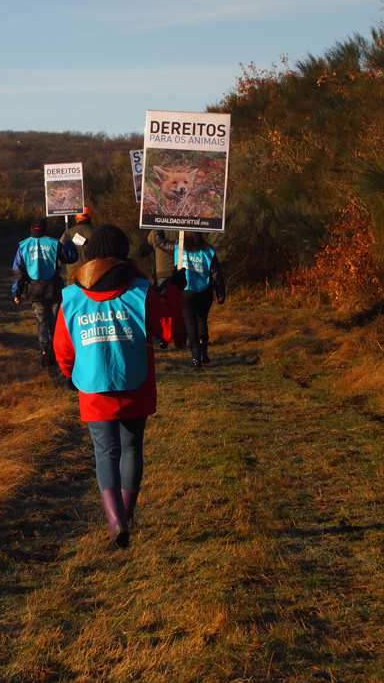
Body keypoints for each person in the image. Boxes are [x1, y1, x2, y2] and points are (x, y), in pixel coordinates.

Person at [54, 225, 185, 549]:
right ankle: (127, 516)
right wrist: (177, 292)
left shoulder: (71, 297)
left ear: (89, 255)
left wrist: (72, 376)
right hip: (134, 383)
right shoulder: (140, 290)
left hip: (92, 386)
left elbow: (63, 349)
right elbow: (169, 332)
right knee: (130, 449)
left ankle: (115, 523)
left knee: (105, 453)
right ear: (124, 254)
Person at [12, 217, 78, 372]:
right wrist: (68, 242)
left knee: (42, 322)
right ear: (45, 228)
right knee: (55, 323)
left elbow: (18, 272)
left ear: (31, 228)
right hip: (54, 288)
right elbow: (71, 257)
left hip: (35, 290)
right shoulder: (54, 243)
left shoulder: (23, 245)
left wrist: (17, 292)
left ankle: (44, 349)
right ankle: (56, 351)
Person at [173, 230, 226, 369]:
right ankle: (204, 353)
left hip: (187, 290)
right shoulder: (208, 251)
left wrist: (157, 227)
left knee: (191, 325)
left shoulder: (179, 248)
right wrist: (221, 294)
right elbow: (216, 273)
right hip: (205, 291)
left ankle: (196, 358)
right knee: (202, 320)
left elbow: (160, 243)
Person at [137, 229, 183, 348]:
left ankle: (164, 337)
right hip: (181, 273)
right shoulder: (183, 230)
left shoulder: (156, 232)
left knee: (160, 308)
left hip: (162, 275)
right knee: (181, 305)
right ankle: (181, 339)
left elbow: (143, 251)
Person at [60, 206, 94, 283]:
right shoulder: (97, 232)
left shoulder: (68, 232)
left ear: (76, 218)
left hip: (73, 276)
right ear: (90, 218)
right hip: (93, 276)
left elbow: (59, 251)